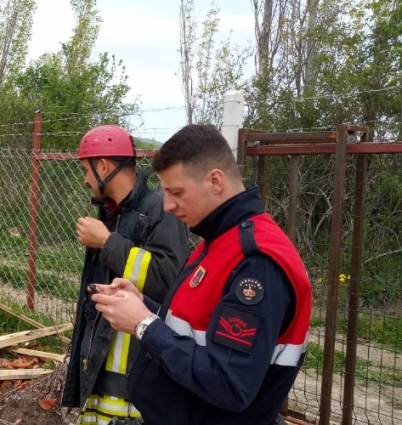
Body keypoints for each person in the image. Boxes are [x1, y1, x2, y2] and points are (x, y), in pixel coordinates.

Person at [90, 124, 312, 425]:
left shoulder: (256, 263)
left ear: (215, 181)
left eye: (176, 192)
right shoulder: (217, 240)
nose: (167, 205)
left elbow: (229, 383)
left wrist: (144, 325)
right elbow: (199, 330)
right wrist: (144, 306)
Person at [62, 124, 190, 425]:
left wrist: (108, 243)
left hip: (135, 375)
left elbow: (169, 279)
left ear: (103, 165)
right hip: (102, 367)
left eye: (86, 169)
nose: (85, 179)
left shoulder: (160, 209)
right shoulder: (111, 212)